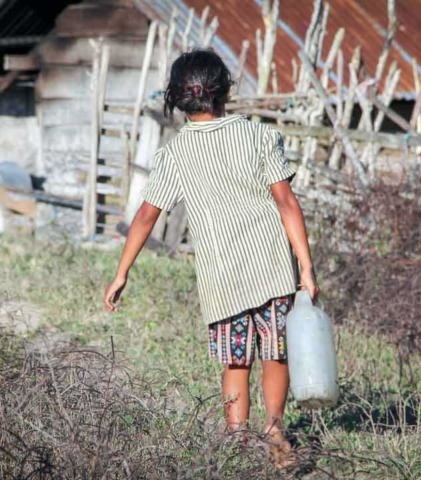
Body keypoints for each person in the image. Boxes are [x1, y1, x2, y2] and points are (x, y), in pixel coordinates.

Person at [103, 49, 319, 465]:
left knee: (234, 359)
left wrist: (121, 272)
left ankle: (237, 441)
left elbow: (146, 215)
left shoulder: (174, 154)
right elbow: (287, 203)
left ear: (178, 97)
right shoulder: (259, 136)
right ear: (224, 90)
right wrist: (305, 265)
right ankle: (276, 431)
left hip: (222, 279)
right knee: (276, 352)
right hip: (272, 267)